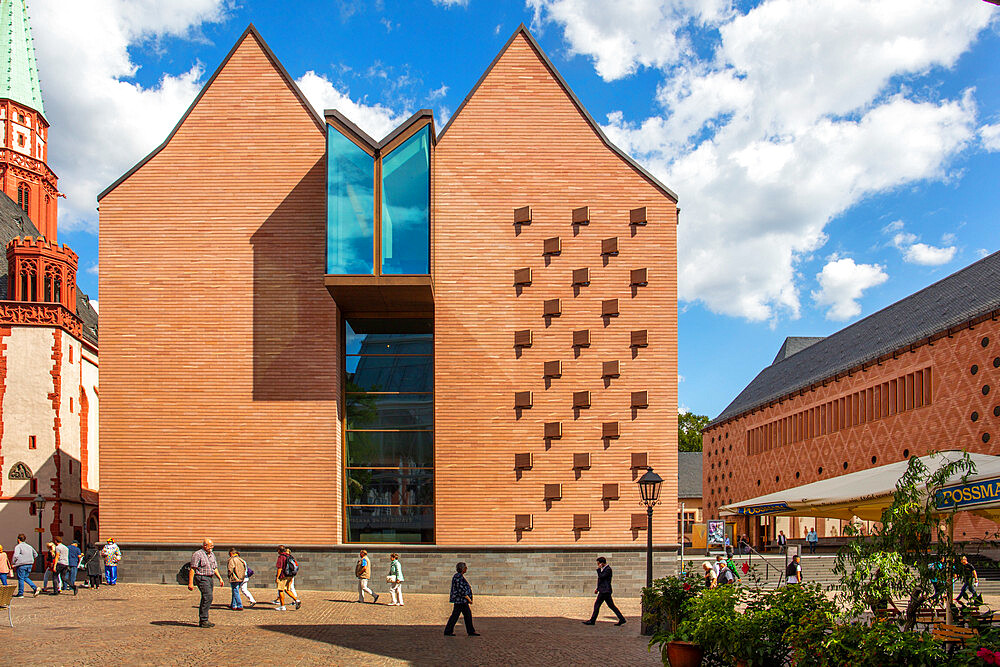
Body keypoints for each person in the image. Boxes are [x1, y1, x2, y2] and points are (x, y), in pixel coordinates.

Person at [187, 538, 225, 627]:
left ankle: (204, 619)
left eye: (212, 545)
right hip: (201, 577)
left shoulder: (212, 555)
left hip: (209, 578)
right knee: (208, 596)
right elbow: (193, 569)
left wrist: (220, 578)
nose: (212, 547)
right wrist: (190, 583)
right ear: (205, 545)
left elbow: (214, 568)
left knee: (207, 598)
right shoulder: (197, 554)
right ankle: (203, 620)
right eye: (210, 545)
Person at [582, 556, 626, 626]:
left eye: (598, 563)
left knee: (597, 605)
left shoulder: (608, 569)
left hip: (605, 591)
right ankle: (622, 619)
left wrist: (599, 570)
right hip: (604, 590)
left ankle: (592, 620)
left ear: (602, 563)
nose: (598, 565)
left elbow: (602, 577)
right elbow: (601, 581)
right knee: (611, 606)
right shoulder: (605, 569)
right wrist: (597, 588)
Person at [444, 561, 479, 636]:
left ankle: (449, 630)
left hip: (461, 600)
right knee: (461, 615)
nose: (466, 569)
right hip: (461, 601)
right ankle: (469, 631)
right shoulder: (458, 577)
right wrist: (469, 599)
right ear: (462, 569)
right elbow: (461, 590)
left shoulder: (458, 576)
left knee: (462, 615)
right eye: (465, 567)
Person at [275, 546, 301, 611]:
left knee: (280, 590)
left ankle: (282, 606)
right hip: (290, 575)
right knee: (287, 589)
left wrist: (277, 577)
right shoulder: (290, 556)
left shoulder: (281, 557)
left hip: (283, 576)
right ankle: (297, 600)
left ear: (279, 550)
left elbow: (280, 568)